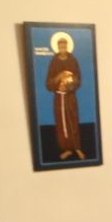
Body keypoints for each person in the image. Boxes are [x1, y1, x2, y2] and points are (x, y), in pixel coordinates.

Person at [45, 31, 85, 160]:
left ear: (68, 46)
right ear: (57, 47)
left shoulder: (73, 61)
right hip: (59, 98)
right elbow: (48, 83)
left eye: (65, 46)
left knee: (73, 120)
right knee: (61, 123)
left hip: (70, 97)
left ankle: (77, 147)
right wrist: (58, 78)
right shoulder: (54, 62)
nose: (63, 48)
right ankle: (66, 149)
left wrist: (69, 85)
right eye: (61, 46)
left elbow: (78, 79)